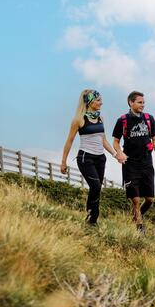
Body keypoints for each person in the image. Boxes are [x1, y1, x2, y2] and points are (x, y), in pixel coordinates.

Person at [60, 89, 126, 226]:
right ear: (90, 101)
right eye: (98, 100)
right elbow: (69, 141)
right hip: (85, 158)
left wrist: (116, 155)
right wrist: (63, 162)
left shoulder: (100, 118)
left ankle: (91, 220)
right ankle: (91, 219)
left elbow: (103, 140)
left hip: (100, 158)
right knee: (95, 186)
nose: (101, 103)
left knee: (97, 189)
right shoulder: (79, 120)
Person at [112, 91, 155, 233]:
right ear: (131, 102)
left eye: (143, 102)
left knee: (150, 199)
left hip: (147, 163)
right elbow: (116, 142)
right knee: (135, 199)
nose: (143, 105)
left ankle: (136, 216)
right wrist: (120, 153)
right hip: (130, 164)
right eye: (140, 102)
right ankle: (139, 227)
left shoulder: (149, 119)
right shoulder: (122, 120)